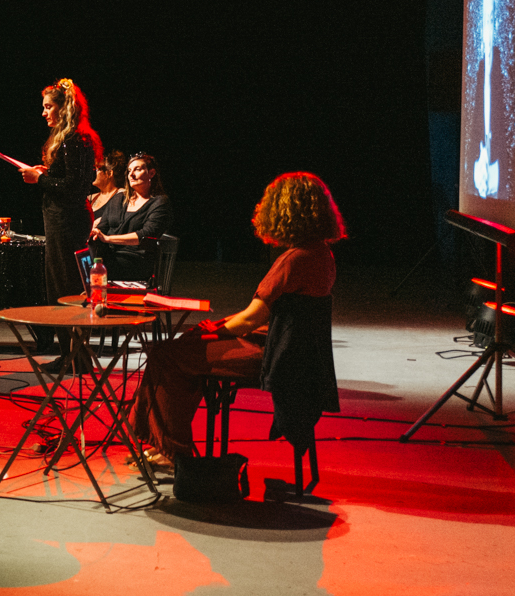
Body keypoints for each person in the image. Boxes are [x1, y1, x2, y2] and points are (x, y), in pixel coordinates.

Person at [133, 173, 346, 471]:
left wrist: (212, 331)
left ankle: (171, 449)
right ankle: (171, 443)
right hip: (295, 357)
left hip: (275, 359)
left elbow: (250, 319)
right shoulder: (322, 254)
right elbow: (267, 313)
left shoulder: (294, 259)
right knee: (186, 351)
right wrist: (211, 329)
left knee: (166, 354)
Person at [20, 78, 103, 359]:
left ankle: (76, 355)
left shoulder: (75, 140)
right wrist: (47, 174)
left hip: (68, 223)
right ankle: (71, 353)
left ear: (63, 108)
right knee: (60, 287)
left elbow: (75, 189)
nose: (44, 113)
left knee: (67, 288)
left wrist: (41, 178)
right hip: (61, 222)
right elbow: (69, 181)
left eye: (48, 107)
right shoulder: (71, 139)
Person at [91, 152, 172, 287]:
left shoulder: (159, 202)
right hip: (110, 255)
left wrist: (107, 238)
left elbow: (145, 235)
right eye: (129, 171)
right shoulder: (119, 199)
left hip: (135, 260)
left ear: (151, 173)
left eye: (137, 169)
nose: (131, 175)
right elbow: (102, 226)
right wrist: (94, 232)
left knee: (95, 269)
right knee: (78, 262)